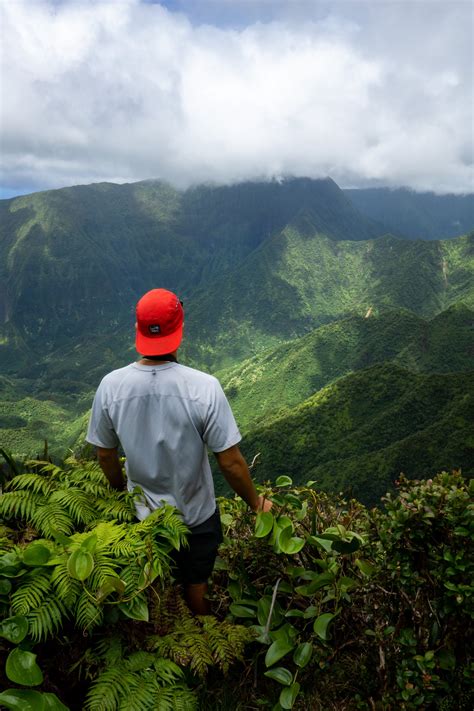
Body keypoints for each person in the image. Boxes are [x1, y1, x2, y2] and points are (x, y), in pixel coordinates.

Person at [86, 288, 271, 614]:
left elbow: (105, 454)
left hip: (143, 519)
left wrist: (120, 492)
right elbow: (230, 463)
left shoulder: (111, 386)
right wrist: (256, 504)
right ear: (180, 332)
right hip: (197, 516)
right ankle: (201, 636)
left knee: (156, 593)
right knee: (196, 587)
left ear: (137, 332)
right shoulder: (204, 388)